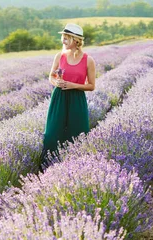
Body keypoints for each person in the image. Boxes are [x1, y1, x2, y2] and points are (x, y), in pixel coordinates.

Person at [41, 23, 96, 166]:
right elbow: (51, 77)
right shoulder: (59, 56)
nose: (63, 41)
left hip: (77, 99)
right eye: (63, 38)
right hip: (59, 97)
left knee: (77, 133)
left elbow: (91, 86)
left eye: (66, 38)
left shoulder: (88, 60)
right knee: (52, 133)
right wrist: (56, 83)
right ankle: (48, 165)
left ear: (76, 41)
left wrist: (73, 85)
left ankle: (76, 166)